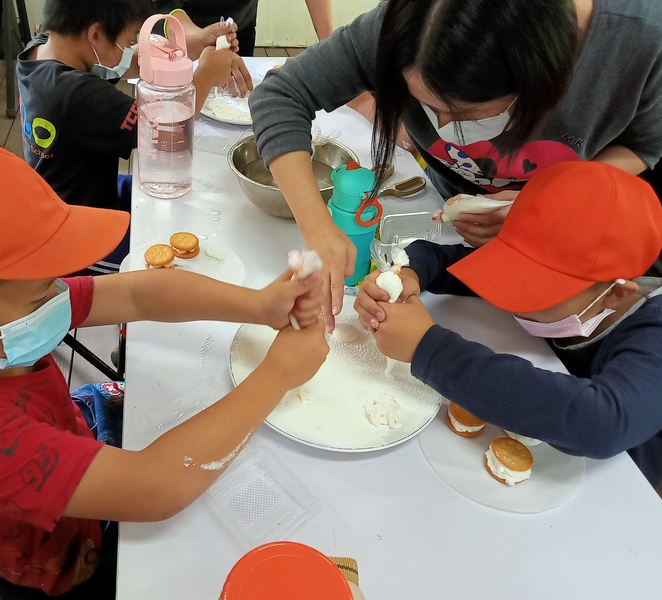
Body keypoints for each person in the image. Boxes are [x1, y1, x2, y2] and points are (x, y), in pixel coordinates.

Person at [0, 134, 328, 595]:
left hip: (61, 432)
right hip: (66, 556)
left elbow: (134, 293)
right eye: (41, 294)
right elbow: (156, 488)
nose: (58, 295)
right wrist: (277, 374)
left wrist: (258, 304)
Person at [249, 0, 662, 331]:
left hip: (559, 249)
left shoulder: (640, 42)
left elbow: (645, 146)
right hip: (452, 232)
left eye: (465, 114)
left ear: (541, 78)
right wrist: (317, 226)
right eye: (425, 106)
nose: (442, 129)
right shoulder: (416, 23)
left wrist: (541, 204)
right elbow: (281, 95)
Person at [353, 161, 662, 493]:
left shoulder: (654, 335)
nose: (511, 296)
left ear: (614, 294)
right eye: (511, 270)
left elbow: (602, 423)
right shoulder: (580, 286)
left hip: (624, 486)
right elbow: (443, 260)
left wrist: (427, 348)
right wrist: (408, 272)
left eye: (535, 289)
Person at [18, 0, 251, 274]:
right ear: (95, 34)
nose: (130, 50)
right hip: (75, 237)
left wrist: (192, 45)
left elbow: (120, 62)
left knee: (180, 197)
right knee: (173, 260)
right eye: (128, 41)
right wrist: (206, 75)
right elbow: (166, 133)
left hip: (69, 197)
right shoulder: (76, 94)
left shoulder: (43, 50)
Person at [153, 0, 334, 57]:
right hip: (178, 28)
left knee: (236, 103)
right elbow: (165, 6)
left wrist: (330, 47)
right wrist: (199, 38)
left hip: (240, 26)